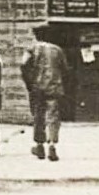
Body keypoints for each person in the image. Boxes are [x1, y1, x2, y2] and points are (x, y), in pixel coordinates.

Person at [22, 26, 68, 161]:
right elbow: (65, 68)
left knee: (38, 116)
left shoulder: (31, 49)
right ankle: (52, 145)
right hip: (54, 87)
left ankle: (39, 145)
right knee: (53, 117)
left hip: (37, 88)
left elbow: (23, 65)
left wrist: (29, 83)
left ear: (36, 35)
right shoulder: (57, 50)